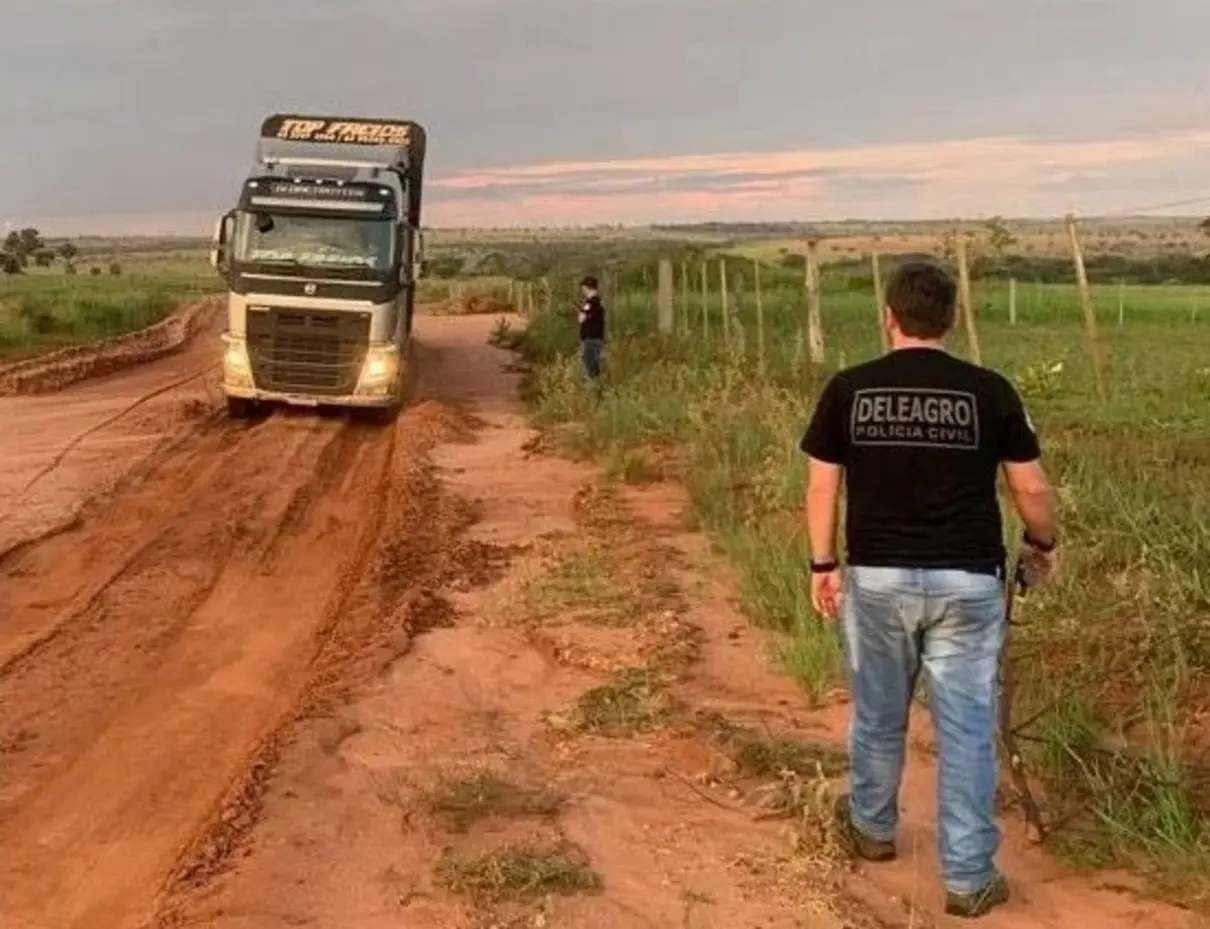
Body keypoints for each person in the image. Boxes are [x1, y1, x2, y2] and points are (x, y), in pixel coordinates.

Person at [798, 260, 1058, 919]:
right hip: (968, 583)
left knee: (879, 712)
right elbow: (1029, 487)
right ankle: (970, 877)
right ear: (950, 317)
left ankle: (873, 827)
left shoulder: (849, 389)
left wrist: (822, 564)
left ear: (889, 316)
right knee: (968, 728)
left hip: (877, 579)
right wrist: (1042, 544)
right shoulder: (990, 391)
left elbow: (821, 484)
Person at [578, 276, 606, 387]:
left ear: (587, 288)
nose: (582, 290)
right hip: (597, 339)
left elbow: (581, 319)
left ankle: (591, 396)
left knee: (589, 371)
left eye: (583, 287)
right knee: (594, 368)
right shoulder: (599, 302)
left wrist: (582, 313)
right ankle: (596, 393)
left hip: (590, 340)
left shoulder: (590, 303)